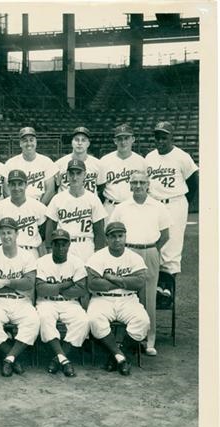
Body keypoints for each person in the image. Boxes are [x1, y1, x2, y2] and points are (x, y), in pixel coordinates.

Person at [109, 171, 171, 356]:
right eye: (134, 182)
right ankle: (123, 337)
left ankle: (148, 339)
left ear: (147, 185)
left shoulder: (158, 206)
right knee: (124, 292)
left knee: (148, 296)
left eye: (141, 182)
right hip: (127, 251)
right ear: (129, 185)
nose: (137, 186)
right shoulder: (122, 207)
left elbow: (165, 235)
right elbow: (113, 231)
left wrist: (150, 249)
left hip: (150, 250)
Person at [85, 222, 150, 376]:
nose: (117, 240)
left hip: (128, 299)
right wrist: (125, 281)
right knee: (94, 319)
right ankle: (120, 357)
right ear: (107, 238)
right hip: (103, 299)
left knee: (143, 321)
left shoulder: (134, 257)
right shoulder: (98, 257)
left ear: (125, 237)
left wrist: (111, 278)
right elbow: (93, 284)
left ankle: (117, 356)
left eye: (120, 236)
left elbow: (140, 282)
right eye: (113, 236)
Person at [145, 121, 199, 295]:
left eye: (164, 137)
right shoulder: (150, 157)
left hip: (175, 203)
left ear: (171, 138)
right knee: (154, 243)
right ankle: (154, 286)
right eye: (157, 137)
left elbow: (193, 183)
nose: (160, 141)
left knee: (172, 245)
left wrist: (182, 202)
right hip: (155, 204)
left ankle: (167, 288)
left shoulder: (182, 156)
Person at [0, 218, 40, 377]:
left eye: (9, 232)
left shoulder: (27, 256)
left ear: (16, 234)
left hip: (21, 301)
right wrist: (17, 284)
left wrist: (5, 281)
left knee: (33, 322)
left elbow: (29, 284)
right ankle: (13, 356)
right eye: (3, 233)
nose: (6, 236)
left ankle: (8, 359)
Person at [35, 229, 90, 377]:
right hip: (47, 302)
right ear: (51, 245)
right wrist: (66, 285)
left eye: (64, 244)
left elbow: (81, 289)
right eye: (57, 244)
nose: (60, 248)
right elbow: (40, 289)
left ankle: (58, 358)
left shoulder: (77, 262)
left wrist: (53, 289)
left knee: (83, 321)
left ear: (69, 245)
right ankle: (65, 360)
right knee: (44, 318)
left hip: (70, 303)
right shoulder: (42, 262)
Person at [45, 159, 106, 262]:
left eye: (78, 173)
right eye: (71, 173)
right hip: (63, 246)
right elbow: (50, 228)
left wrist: (98, 253)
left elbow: (99, 230)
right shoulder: (58, 199)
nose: (75, 177)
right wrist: (50, 250)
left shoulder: (93, 199)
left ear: (85, 175)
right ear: (67, 175)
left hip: (86, 245)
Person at [0, 169, 47, 260]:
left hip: (30, 251)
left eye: (20, 184)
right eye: (13, 184)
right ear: (8, 186)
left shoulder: (38, 207)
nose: (16, 188)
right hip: (7, 253)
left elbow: (44, 233)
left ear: (26, 185)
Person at [96, 124, 147, 217]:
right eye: (120, 139)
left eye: (126, 138)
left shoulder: (141, 162)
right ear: (115, 141)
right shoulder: (105, 161)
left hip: (133, 207)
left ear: (133, 139)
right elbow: (100, 187)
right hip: (111, 207)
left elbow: (146, 187)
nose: (123, 142)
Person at [5, 127, 57, 205]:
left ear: (36, 142)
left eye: (31, 140)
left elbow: (50, 191)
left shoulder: (46, 162)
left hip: (40, 205)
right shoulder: (11, 163)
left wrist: (38, 208)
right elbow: (6, 190)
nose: (29, 143)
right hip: (16, 206)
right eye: (25, 141)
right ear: (20, 143)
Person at [55, 127, 101, 193]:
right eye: (76, 140)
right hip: (66, 202)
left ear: (88, 144)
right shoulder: (59, 164)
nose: (79, 143)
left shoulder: (98, 164)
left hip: (89, 202)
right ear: (72, 142)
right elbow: (55, 187)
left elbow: (101, 188)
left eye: (83, 140)